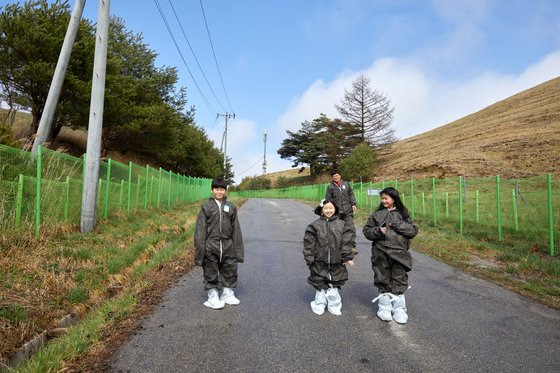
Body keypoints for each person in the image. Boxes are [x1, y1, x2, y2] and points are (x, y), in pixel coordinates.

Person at [362, 187, 418, 324]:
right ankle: (384, 308)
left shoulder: (403, 215)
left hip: (400, 254)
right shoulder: (377, 215)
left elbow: (413, 231)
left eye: (386, 198)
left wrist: (398, 225)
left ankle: (399, 309)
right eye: (382, 198)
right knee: (383, 279)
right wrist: (378, 231)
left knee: (399, 279)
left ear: (394, 198)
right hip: (380, 254)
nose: (384, 201)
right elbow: (366, 232)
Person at [194, 177, 244, 309]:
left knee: (229, 268)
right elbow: (200, 231)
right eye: (216, 189)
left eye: (222, 189)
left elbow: (236, 230)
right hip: (211, 245)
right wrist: (200, 252)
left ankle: (227, 293)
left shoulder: (231, 207)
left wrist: (237, 250)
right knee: (210, 269)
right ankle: (213, 296)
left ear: (226, 191)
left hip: (227, 244)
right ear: (212, 190)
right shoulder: (206, 207)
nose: (219, 192)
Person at [303, 199, 355, 316]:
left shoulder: (342, 225)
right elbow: (308, 243)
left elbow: (347, 242)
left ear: (335, 209)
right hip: (319, 261)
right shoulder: (314, 226)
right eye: (326, 208)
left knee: (334, 284)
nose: (328, 210)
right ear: (321, 210)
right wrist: (309, 258)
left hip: (337, 262)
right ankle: (319, 304)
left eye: (331, 208)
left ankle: (334, 305)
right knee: (319, 283)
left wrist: (347, 257)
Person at [325, 170, 357, 248]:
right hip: (337, 211)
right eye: (334, 176)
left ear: (340, 176)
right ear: (332, 177)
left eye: (337, 175)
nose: (336, 177)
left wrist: (353, 204)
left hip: (348, 210)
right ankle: (339, 245)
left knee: (350, 228)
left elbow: (351, 194)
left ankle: (352, 246)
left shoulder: (346, 184)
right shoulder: (330, 187)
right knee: (337, 228)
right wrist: (329, 209)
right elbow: (328, 199)